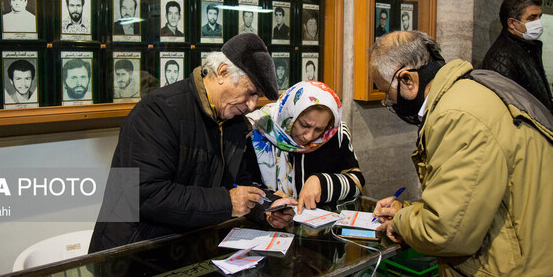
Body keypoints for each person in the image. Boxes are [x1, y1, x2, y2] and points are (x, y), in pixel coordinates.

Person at [369, 30, 553, 277]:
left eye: (385, 93)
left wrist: (401, 222)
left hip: (515, 274)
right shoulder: (471, 88)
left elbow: (448, 231)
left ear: (407, 80)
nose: (389, 101)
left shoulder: (456, 116)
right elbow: (470, 199)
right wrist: (410, 210)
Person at [90, 34, 295, 251]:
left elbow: (241, 184)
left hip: (191, 249)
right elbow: (146, 194)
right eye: (250, 92)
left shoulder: (236, 124)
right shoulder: (158, 111)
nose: (252, 105)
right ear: (223, 72)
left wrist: (266, 208)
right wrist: (227, 203)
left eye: (258, 97)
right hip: (133, 252)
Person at [247, 81, 364, 213]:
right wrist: (270, 200)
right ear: (289, 114)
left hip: (319, 225)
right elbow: (242, 187)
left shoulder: (334, 135)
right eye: (304, 125)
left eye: (319, 129)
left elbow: (357, 182)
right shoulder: (256, 131)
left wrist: (322, 183)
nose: (309, 137)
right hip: (265, 226)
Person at [481, 0, 553, 115]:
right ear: (512, 23)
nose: (539, 23)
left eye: (539, 17)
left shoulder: (528, 48)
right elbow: (507, 107)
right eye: (532, 18)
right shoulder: (502, 55)